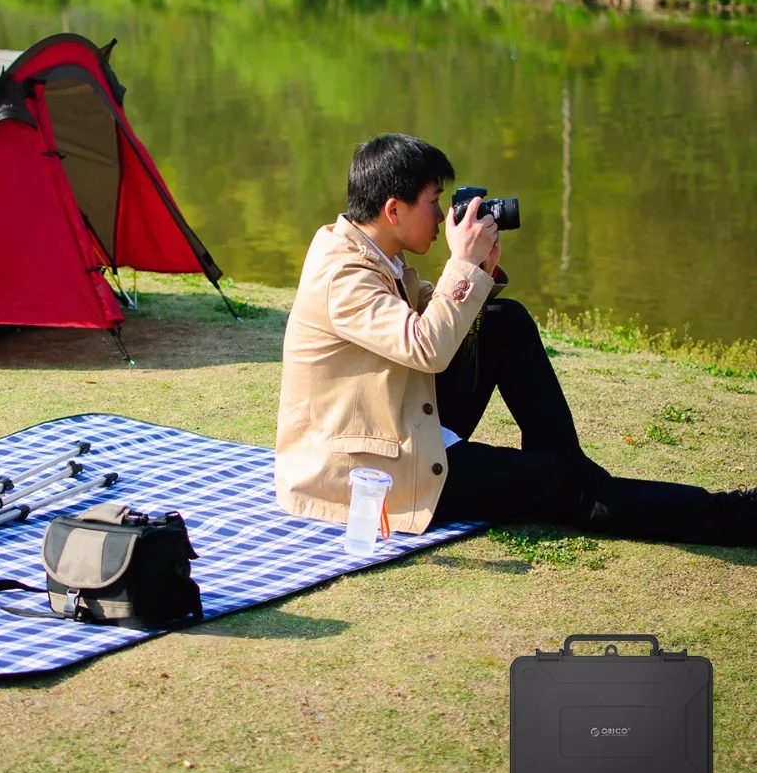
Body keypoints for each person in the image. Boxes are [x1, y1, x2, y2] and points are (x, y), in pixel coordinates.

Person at [274, 133, 756, 546]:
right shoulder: (345, 275)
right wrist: (462, 264)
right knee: (560, 482)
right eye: (434, 201)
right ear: (393, 209)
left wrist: (480, 270)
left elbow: (431, 311)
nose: (443, 216)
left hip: (396, 422)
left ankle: (566, 474)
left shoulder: (375, 253)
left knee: (504, 321)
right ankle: (732, 515)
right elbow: (426, 347)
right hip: (368, 474)